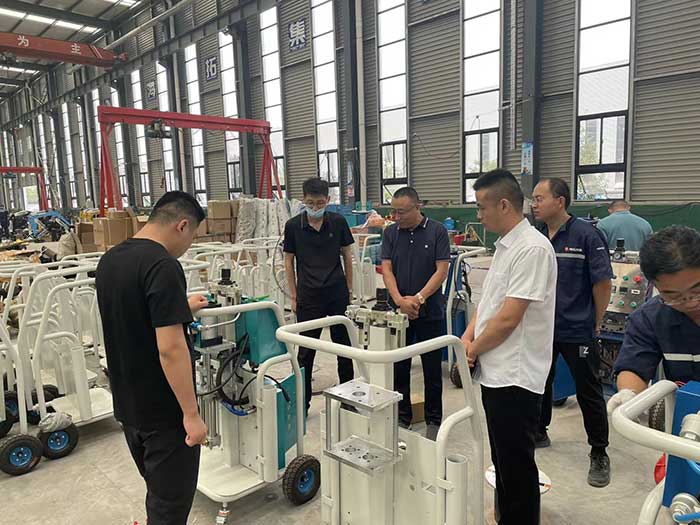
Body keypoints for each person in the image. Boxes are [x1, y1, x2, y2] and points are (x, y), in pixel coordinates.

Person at [96, 191, 208, 525]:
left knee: (157, 495)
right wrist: (191, 415)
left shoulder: (111, 260)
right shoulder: (163, 265)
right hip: (164, 415)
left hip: (129, 408)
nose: (188, 245)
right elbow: (170, 349)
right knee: (169, 510)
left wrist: (180, 308)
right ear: (182, 225)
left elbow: (133, 317)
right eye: (192, 236)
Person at [461, 169, 557, 525]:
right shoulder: (506, 246)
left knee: (516, 468)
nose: (479, 215)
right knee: (502, 461)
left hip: (515, 376)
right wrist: (467, 335)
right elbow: (490, 303)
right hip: (496, 370)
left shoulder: (532, 249)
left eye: (481, 207)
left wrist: (472, 349)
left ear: (504, 205)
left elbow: (509, 318)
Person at [531, 178, 613, 488]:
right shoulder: (537, 236)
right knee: (540, 381)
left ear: (560, 201)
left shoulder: (587, 235)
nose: (534, 204)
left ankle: (599, 452)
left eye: (539, 198)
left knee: (588, 390)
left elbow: (602, 283)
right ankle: (539, 432)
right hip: (543, 328)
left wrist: (596, 322)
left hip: (577, 328)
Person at [381, 186, 450, 441]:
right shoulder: (390, 233)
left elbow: (441, 270)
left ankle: (434, 420)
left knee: (432, 369)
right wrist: (400, 301)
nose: (396, 217)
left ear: (417, 207)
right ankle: (403, 416)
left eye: (401, 212)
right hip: (399, 315)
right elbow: (386, 269)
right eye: (393, 212)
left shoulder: (437, 231)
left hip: (430, 313)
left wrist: (419, 299)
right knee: (400, 367)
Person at [608, 226, 700, 412]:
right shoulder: (650, 318)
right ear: (655, 287)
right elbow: (633, 366)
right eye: (674, 296)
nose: (690, 302)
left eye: (697, 290)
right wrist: (629, 395)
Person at [284, 177, 354, 416]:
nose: (315, 207)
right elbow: (288, 261)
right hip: (308, 295)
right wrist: (294, 296)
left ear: (328, 200)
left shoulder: (338, 222)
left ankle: (348, 400)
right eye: (310, 203)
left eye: (320, 203)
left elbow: (347, 255)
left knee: (344, 348)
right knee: (306, 352)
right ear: (303, 201)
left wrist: (349, 290)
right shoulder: (293, 226)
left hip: (336, 292)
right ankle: (301, 405)